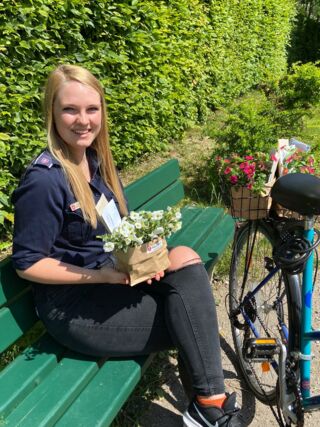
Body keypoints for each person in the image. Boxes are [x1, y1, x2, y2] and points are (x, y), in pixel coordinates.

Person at [12, 64, 242, 427]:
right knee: (192, 321)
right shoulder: (44, 182)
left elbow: (120, 228)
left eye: (92, 109)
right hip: (74, 308)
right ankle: (210, 406)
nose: (83, 120)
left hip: (114, 281)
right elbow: (27, 264)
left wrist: (148, 251)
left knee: (184, 259)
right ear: (52, 114)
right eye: (70, 109)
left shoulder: (95, 161)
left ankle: (205, 404)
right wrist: (101, 277)